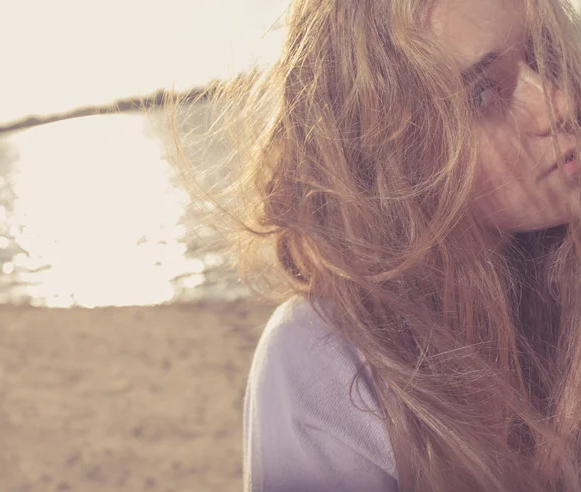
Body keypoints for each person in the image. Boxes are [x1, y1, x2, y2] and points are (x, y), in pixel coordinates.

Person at [177, 0, 581, 489]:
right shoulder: (330, 360)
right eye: (480, 94)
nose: (558, 105)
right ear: (391, 157)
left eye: (546, 57)